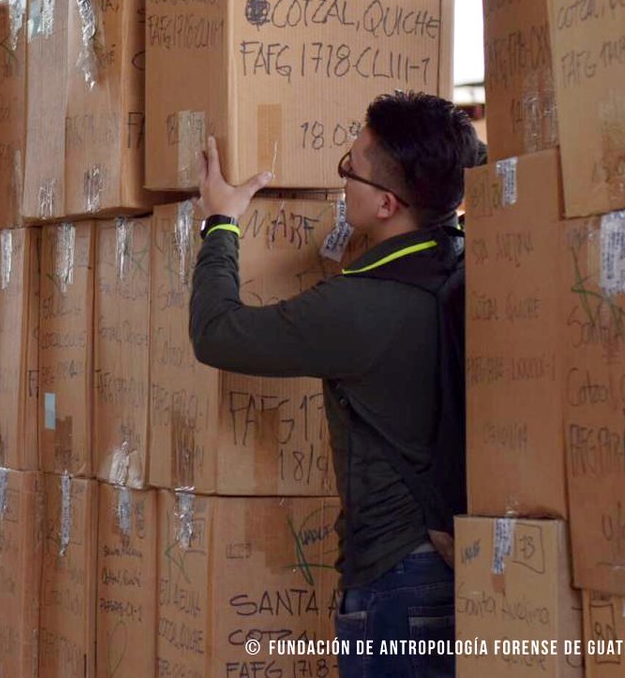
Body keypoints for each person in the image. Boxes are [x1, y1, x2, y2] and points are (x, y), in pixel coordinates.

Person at [189, 91, 481, 678]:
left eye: (351, 169)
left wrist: (220, 222)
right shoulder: (468, 264)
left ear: (386, 204)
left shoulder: (362, 307)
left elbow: (218, 334)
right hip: (460, 572)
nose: (343, 182)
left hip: (397, 582)